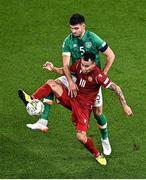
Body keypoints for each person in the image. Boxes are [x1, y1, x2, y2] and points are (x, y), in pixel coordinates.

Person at [20, 13, 115, 155]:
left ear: (83, 26)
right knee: (52, 84)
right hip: (75, 75)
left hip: (91, 82)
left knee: (98, 113)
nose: (73, 31)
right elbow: (65, 64)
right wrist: (70, 81)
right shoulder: (68, 41)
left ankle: (105, 139)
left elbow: (111, 55)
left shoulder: (93, 38)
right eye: (71, 28)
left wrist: (103, 75)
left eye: (76, 28)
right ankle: (41, 117)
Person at [18, 52, 133, 166]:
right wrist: (53, 68)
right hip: (72, 97)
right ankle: (31, 99)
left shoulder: (98, 76)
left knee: (80, 136)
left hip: (83, 108)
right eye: (82, 64)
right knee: (51, 83)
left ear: (93, 65)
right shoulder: (78, 64)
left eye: (86, 66)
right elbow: (65, 71)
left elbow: (116, 88)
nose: (83, 67)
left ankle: (97, 154)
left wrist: (125, 105)